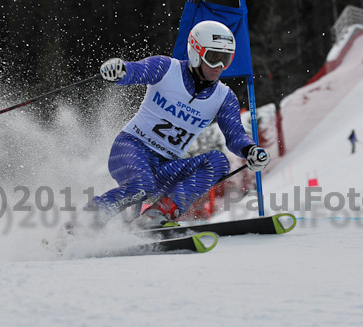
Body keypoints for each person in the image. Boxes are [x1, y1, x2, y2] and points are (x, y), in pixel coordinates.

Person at [89, 20, 269, 230]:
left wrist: (250, 150)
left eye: (225, 60)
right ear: (196, 53)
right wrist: (118, 70)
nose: (219, 67)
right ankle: (82, 225)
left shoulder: (223, 96)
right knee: (142, 186)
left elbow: (235, 135)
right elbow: (134, 71)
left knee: (217, 162)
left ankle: (154, 217)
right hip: (130, 149)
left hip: (165, 166)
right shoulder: (166, 68)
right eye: (213, 58)